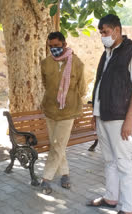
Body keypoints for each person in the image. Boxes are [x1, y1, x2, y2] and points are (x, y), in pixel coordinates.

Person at [86, 14, 132, 214]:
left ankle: (127, 208)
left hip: (119, 116)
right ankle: (111, 198)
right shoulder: (107, 52)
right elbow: (100, 83)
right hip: (102, 114)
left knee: (122, 162)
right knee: (109, 160)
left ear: (117, 30)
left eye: (106, 32)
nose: (103, 36)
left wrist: (129, 119)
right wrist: (95, 115)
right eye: (101, 33)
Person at [40, 32, 86, 194]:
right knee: (56, 144)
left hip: (68, 111)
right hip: (50, 110)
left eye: (57, 46)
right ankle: (65, 174)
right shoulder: (45, 63)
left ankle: (46, 178)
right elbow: (46, 84)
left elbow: (82, 89)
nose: (53, 49)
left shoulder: (77, 63)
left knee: (58, 144)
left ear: (64, 45)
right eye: (50, 46)